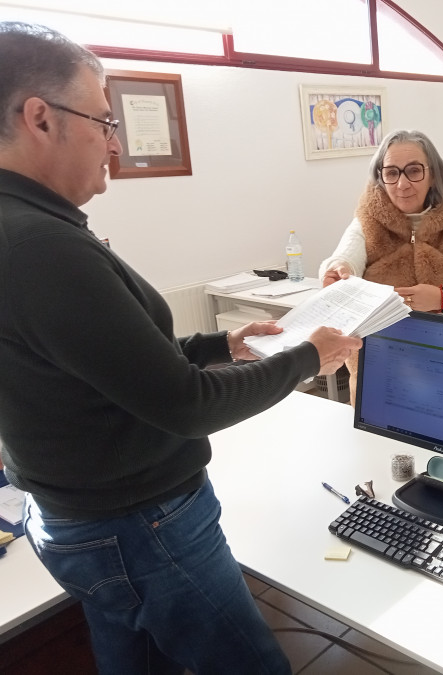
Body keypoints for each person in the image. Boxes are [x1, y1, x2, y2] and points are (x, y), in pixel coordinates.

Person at [0, 23, 362, 674]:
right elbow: (185, 405)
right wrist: (312, 356)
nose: (114, 143)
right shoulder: (38, 245)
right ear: (40, 119)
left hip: (76, 517)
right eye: (104, 120)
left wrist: (218, 341)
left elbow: (107, 361)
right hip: (140, 526)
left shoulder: (25, 228)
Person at [319, 129, 443, 394]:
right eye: (391, 172)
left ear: (432, 174)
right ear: (381, 177)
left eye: (414, 170)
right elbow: (344, 258)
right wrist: (337, 270)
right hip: (380, 372)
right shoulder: (368, 219)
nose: (402, 184)